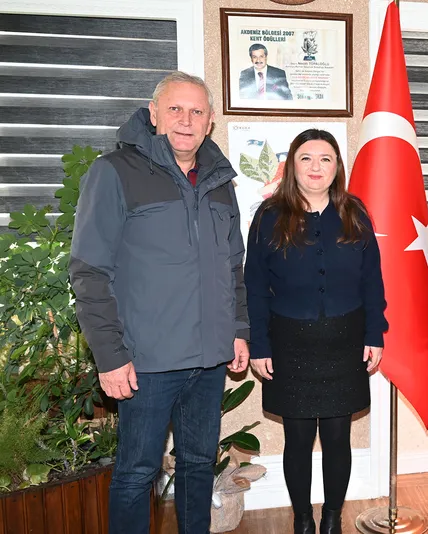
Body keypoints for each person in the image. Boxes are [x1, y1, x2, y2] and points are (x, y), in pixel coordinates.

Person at [70, 71, 250, 534]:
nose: (186, 120)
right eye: (175, 109)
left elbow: (233, 265)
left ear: (209, 121)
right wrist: (110, 356)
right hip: (146, 362)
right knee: (137, 473)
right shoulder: (114, 172)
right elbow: (89, 271)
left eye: (196, 111)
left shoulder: (220, 180)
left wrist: (238, 329)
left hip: (209, 359)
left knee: (198, 465)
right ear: (154, 114)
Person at [245, 129, 387, 534]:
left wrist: (374, 333)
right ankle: (303, 520)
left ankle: (331, 519)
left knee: (338, 437)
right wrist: (259, 344)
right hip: (289, 343)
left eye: (325, 159)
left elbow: (372, 280)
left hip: (346, 341)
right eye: (306, 158)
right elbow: (255, 285)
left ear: (337, 166)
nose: (315, 167)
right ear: (292, 166)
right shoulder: (269, 216)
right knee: (298, 437)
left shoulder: (355, 212)